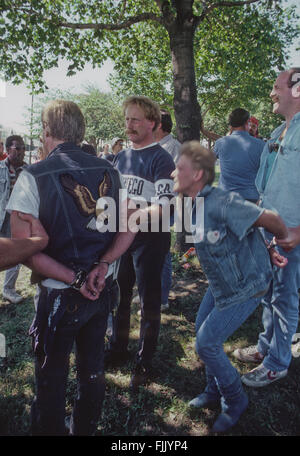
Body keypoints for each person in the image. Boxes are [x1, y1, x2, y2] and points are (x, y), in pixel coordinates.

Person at [6, 99, 136, 435]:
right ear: (80, 132)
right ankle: (85, 428)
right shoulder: (110, 170)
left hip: (59, 297)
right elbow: (130, 225)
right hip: (100, 287)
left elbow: (24, 250)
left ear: (46, 131)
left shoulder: (32, 175)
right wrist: (102, 266)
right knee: (92, 370)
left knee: (52, 377)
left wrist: (75, 278)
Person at [172, 140, 289, 432]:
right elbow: (241, 230)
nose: (173, 173)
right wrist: (262, 246)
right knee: (202, 332)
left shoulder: (220, 200)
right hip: (223, 282)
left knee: (206, 342)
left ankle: (234, 400)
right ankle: (212, 391)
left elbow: (270, 219)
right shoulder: (196, 202)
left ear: (197, 174)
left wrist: (278, 242)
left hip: (247, 285)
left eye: (179, 168)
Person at [233, 67, 300, 388]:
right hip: (267, 230)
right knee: (268, 294)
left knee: (285, 299)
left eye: (277, 86)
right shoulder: (277, 133)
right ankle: (265, 347)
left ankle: (277, 362)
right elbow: (265, 186)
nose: (271, 92)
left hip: (292, 236)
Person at [106, 95, 175, 390]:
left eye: (135, 119)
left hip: (151, 240)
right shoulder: (121, 158)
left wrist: (132, 213)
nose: (129, 125)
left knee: (148, 301)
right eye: (126, 119)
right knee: (120, 296)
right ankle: (118, 347)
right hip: (124, 238)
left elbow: (166, 207)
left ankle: (144, 361)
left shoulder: (162, 158)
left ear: (152, 123)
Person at [214, 108, 265, 203]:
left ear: (230, 124)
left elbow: (207, 164)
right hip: (251, 198)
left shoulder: (220, 143)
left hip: (225, 197)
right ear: (247, 122)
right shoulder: (261, 145)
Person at [0, 135, 27, 304]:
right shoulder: (0, 169)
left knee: (16, 254)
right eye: (18, 148)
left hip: (17, 218)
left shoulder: (28, 171)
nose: (22, 151)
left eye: (23, 148)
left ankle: (8, 290)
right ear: (8, 149)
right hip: (1, 216)